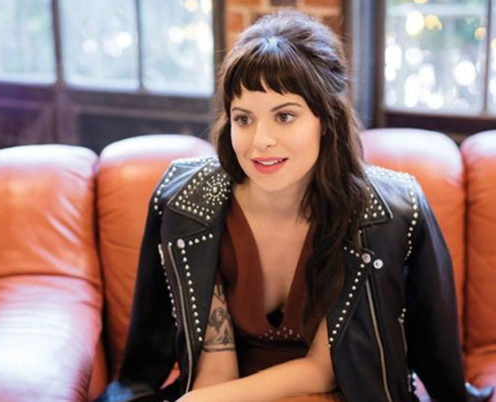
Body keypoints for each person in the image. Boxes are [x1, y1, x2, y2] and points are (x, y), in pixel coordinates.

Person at [97, 10, 493, 402]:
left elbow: (323, 370)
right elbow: (214, 369)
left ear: (327, 118)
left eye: (284, 116)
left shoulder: (381, 213)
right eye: (244, 119)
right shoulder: (189, 204)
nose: (260, 141)